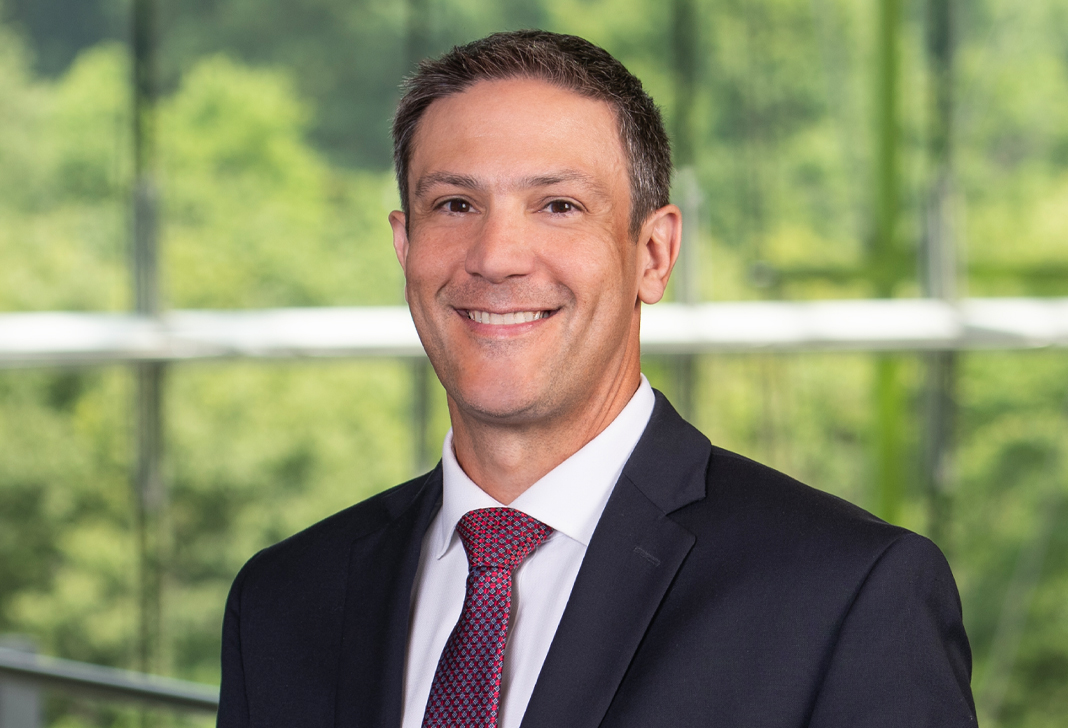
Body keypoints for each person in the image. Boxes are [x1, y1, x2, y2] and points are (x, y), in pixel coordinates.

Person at [217, 30, 976, 727]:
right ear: (404, 245)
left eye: (558, 205)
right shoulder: (283, 601)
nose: (497, 257)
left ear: (654, 254)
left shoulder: (846, 593)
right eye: (455, 204)